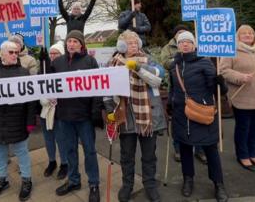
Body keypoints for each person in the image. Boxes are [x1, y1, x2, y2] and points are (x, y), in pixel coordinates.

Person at [105, 30, 167, 202]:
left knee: (149, 155)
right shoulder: (112, 63)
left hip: (148, 117)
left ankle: (150, 185)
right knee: (126, 156)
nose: (133, 45)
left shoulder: (148, 59)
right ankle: (127, 185)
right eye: (129, 43)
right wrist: (111, 111)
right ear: (122, 46)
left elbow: (159, 74)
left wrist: (138, 67)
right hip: (126, 117)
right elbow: (107, 90)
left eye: (135, 42)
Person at [170, 31, 228, 201]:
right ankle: (188, 179)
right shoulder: (175, 65)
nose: (185, 44)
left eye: (188, 42)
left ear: (194, 45)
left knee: (210, 149)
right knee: (186, 148)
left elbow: (218, 91)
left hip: (203, 113)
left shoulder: (205, 62)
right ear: (178, 45)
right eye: (182, 42)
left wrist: (220, 84)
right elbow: (173, 87)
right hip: (181, 114)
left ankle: (218, 184)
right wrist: (171, 103)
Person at [51, 30, 104, 202]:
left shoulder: (90, 61)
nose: (71, 44)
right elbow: (47, 84)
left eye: (75, 41)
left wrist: (95, 111)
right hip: (64, 116)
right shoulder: (57, 62)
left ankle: (94, 183)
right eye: (69, 41)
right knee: (69, 150)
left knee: (89, 151)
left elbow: (98, 88)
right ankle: (74, 180)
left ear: (81, 44)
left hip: (84, 117)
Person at [0, 41, 38, 201]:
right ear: (2, 54)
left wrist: (30, 120)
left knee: (21, 152)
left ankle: (27, 181)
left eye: (16, 52)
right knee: (0, 152)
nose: (15, 55)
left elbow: (31, 99)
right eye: (11, 52)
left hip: (17, 119)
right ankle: (2, 180)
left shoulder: (24, 72)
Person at [220, 25, 255, 171]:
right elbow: (223, 71)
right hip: (243, 96)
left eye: (250, 33)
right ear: (238, 36)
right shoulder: (231, 50)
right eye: (244, 33)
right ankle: (243, 155)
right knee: (243, 128)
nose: (248, 35)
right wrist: (240, 77)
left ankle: (253, 154)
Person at [160, 25, 207, 163]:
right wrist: (177, 59)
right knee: (178, 122)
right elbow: (165, 63)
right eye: (179, 33)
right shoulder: (168, 48)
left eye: (185, 33)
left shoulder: (195, 46)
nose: (182, 36)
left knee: (197, 120)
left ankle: (199, 150)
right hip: (177, 88)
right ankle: (179, 149)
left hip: (195, 90)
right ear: (175, 36)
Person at [39, 43, 68, 179]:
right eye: (51, 53)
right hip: (45, 110)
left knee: (61, 138)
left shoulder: (65, 69)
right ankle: (52, 161)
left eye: (55, 53)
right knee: (48, 138)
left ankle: (64, 163)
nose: (52, 56)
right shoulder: (43, 69)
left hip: (59, 110)